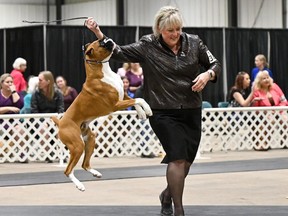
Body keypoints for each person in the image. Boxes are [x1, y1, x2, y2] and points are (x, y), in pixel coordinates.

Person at [86, 5, 221, 216]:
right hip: (162, 111)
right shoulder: (148, 44)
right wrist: (98, 33)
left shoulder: (195, 42)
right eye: (170, 31)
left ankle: (167, 195)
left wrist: (208, 75)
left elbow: (215, 64)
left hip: (191, 110)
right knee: (177, 157)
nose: (175, 34)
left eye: (178, 29)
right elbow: (118, 51)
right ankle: (178, 210)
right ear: (159, 29)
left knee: (186, 162)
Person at [251, 70, 287, 151]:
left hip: (279, 111)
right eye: (264, 78)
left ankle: (285, 142)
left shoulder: (275, 86)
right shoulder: (256, 91)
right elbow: (255, 108)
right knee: (271, 121)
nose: (267, 80)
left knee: (286, 120)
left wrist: (278, 109)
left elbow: (284, 101)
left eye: (267, 77)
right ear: (259, 81)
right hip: (264, 114)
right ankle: (265, 143)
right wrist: (256, 102)